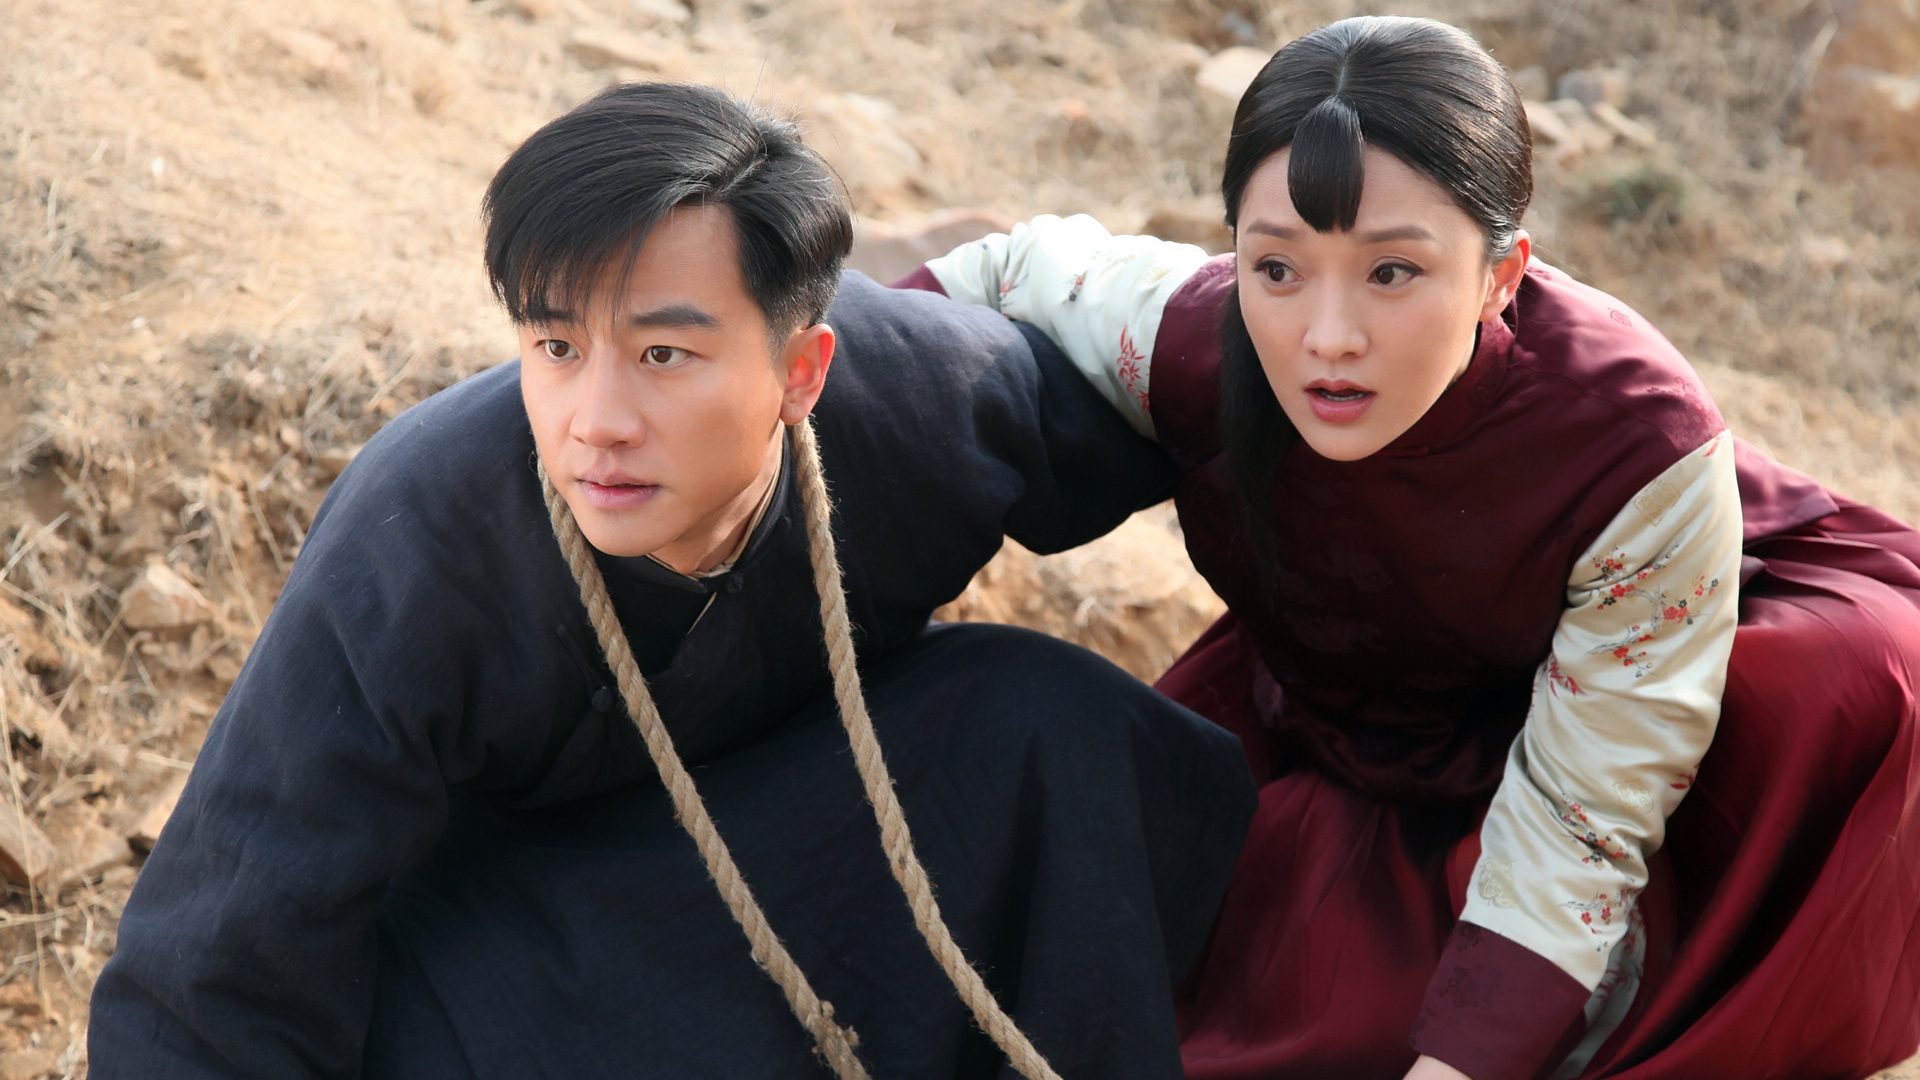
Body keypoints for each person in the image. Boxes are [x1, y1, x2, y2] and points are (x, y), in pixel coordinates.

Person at [87, 82, 1257, 1079]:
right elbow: (216, 960)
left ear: (802, 371)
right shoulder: (421, 539)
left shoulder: (924, 403)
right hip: (517, 967)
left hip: (818, 842)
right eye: (556, 347)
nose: (596, 422)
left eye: (663, 353)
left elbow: (1207, 415)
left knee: (1055, 721)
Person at [900, 15, 1920, 1080]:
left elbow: (1584, 817)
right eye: (1277, 266)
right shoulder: (1189, 331)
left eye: (1392, 272)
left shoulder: (1638, 448)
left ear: (1501, 275)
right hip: (1357, 687)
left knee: (1845, 678)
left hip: (1640, 676)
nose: (1328, 337)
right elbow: (1003, 273)